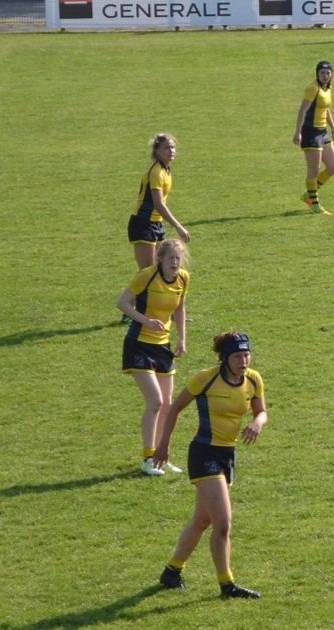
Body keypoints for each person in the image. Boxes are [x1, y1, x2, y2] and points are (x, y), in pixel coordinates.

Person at [154, 332, 267, 600]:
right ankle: (227, 584)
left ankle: (172, 571)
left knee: (202, 519)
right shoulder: (206, 379)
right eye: (237, 356)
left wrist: (257, 422)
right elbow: (175, 408)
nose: (243, 360)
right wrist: (163, 445)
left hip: (228, 455)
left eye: (246, 355)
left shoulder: (253, 379)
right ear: (225, 358)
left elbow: (261, 410)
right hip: (204, 453)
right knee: (223, 523)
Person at [117, 238, 190, 477]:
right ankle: (148, 458)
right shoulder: (146, 276)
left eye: (178, 259)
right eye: (171, 259)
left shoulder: (183, 279)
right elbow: (123, 303)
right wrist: (146, 320)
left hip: (163, 347)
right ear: (160, 258)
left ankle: (161, 456)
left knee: (168, 405)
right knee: (156, 401)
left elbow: (180, 308)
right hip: (138, 344)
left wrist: (182, 338)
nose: (175, 263)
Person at [128, 133, 191, 270]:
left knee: (160, 270)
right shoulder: (157, 172)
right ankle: (131, 293)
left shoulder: (166, 170)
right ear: (157, 151)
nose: (171, 151)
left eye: (173, 147)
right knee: (147, 273)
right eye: (166, 148)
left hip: (157, 224)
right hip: (143, 224)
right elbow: (158, 204)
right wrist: (178, 227)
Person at [293, 62, 334, 216]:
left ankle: (309, 193)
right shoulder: (313, 88)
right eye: (322, 73)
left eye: (327, 73)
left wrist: (333, 128)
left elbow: (326, 109)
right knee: (313, 171)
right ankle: (314, 203)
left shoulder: (328, 88)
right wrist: (297, 132)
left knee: (332, 168)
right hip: (310, 133)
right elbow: (302, 110)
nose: (325, 76)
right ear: (317, 74)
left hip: (323, 132)